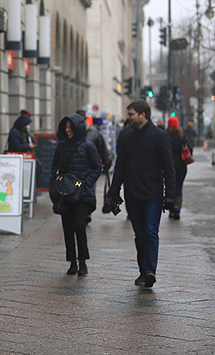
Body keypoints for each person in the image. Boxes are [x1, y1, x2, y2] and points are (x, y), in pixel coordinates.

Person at [106, 100, 176, 288]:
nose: (128, 117)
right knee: (140, 233)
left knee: (151, 230)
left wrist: (170, 195)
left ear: (142, 115)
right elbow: (120, 165)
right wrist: (113, 191)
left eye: (131, 114)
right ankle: (143, 271)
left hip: (153, 193)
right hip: (133, 192)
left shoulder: (159, 136)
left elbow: (169, 167)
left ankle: (150, 270)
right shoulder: (125, 135)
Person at [49, 113, 102, 275]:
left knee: (79, 225)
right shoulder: (62, 146)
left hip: (83, 194)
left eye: (70, 127)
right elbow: (55, 167)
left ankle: (83, 262)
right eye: (65, 127)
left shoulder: (88, 146)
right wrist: (54, 185)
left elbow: (97, 167)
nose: (67, 130)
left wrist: (87, 183)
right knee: (68, 228)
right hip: (65, 193)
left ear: (77, 128)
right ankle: (72, 262)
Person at [166, 117, 192, 220]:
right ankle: (177, 212)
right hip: (181, 165)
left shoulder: (166, 136)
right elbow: (190, 148)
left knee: (170, 187)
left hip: (169, 166)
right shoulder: (182, 136)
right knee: (179, 188)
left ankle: (171, 210)